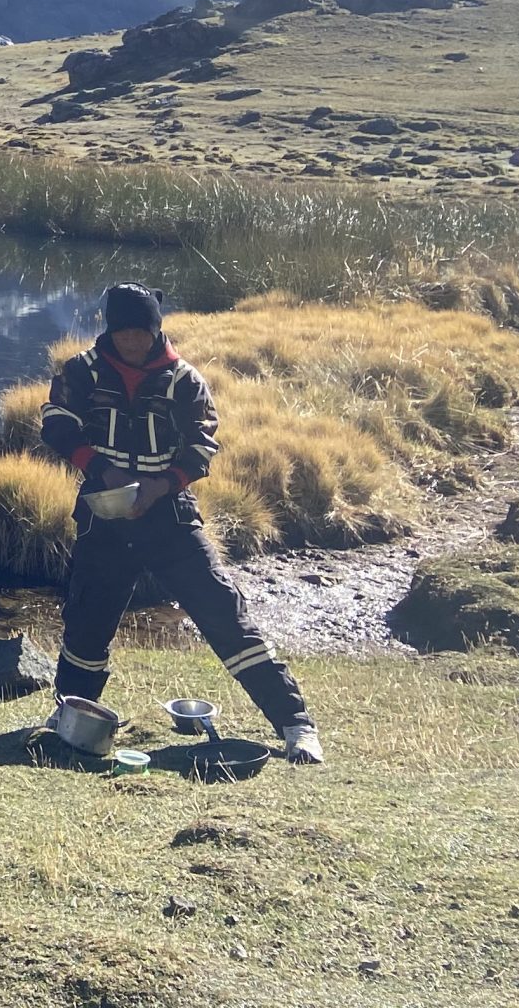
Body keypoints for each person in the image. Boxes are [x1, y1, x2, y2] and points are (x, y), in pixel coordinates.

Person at [40, 282, 323, 764]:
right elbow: (57, 423)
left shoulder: (183, 380)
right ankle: (68, 718)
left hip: (170, 518)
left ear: (156, 329)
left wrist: (161, 485)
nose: (133, 341)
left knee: (223, 613)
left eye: (141, 332)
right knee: (86, 622)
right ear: (111, 329)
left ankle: (295, 724)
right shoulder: (81, 372)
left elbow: (201, 446)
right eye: (124, 332)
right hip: (102, 518)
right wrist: (99, 468)